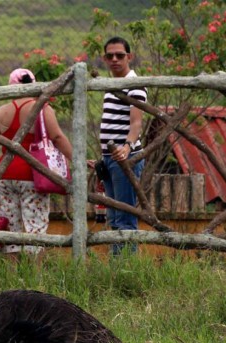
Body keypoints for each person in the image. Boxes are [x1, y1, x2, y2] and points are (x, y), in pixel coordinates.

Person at [0, 68, 72, 263]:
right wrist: (78, 159)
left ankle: (11, 280)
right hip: (34, 176)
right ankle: (35, 279)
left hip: (4, 176)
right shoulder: (42, 109)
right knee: (35, 228)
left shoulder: (0, 113)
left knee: (10, 230)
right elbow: (57, 137)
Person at [97, 36, 147, 255]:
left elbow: (136, 123)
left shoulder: (134, 85)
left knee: (125, 218)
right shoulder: (112, 85)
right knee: (114, 217)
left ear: (130, 56)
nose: (115, 59)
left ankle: (126, 268)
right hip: (109, 158)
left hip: (124, 157)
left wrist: (127, 146)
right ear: (104, 58)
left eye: (120, 55)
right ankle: (117, 267)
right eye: (110, 56)